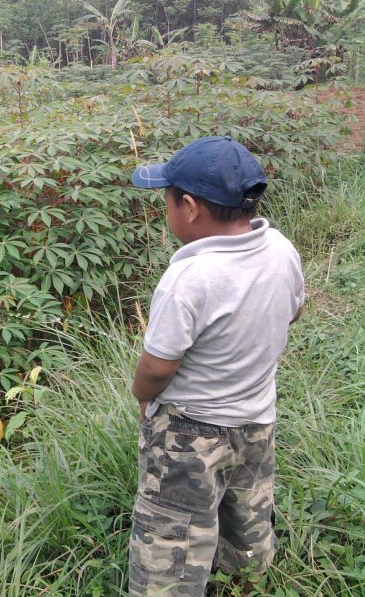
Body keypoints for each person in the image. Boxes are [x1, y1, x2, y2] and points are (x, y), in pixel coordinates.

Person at [127, 136, 305, 596]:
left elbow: (158, 366)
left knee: (170, 543)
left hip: (189, 435)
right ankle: (243, 583)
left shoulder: (188, 277)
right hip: (256, 420)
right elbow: (294, 310)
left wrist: (142, 394)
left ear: (188, 206)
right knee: (246, 522)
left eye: (166, 201)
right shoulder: (281, 250)